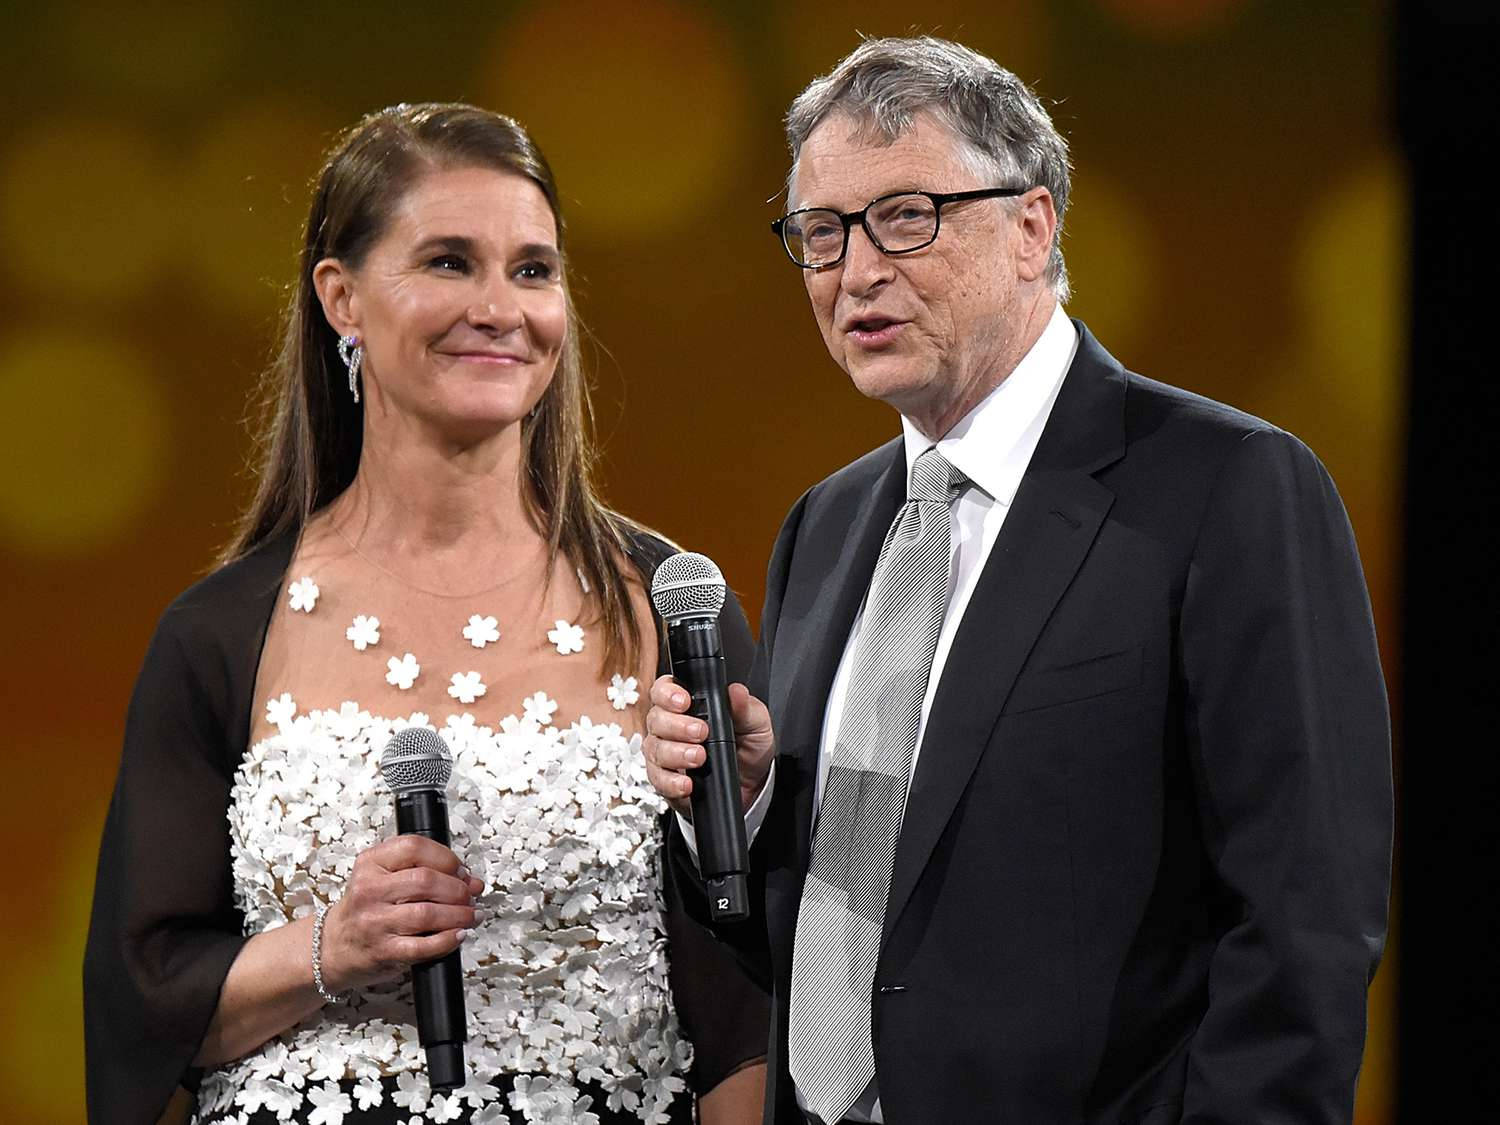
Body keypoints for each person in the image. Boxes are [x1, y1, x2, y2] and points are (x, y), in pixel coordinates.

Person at [644, 36, 1392, 1125]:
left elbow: (1304, 918)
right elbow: (846, 925)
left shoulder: (1223, 487)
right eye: (820, 234)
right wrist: (753, 806)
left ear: (1032, 225)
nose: (857, 272)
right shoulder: (829, 524)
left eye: (906, 217)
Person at [84, 103, 768, 1125]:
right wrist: (331, 946)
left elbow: (745, 1016)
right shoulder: (221, 634)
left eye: (533, 271)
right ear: (341, 298)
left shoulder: (672, 607)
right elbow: (142, 1006)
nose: (499, 307)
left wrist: (748, 809)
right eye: (450, 262)